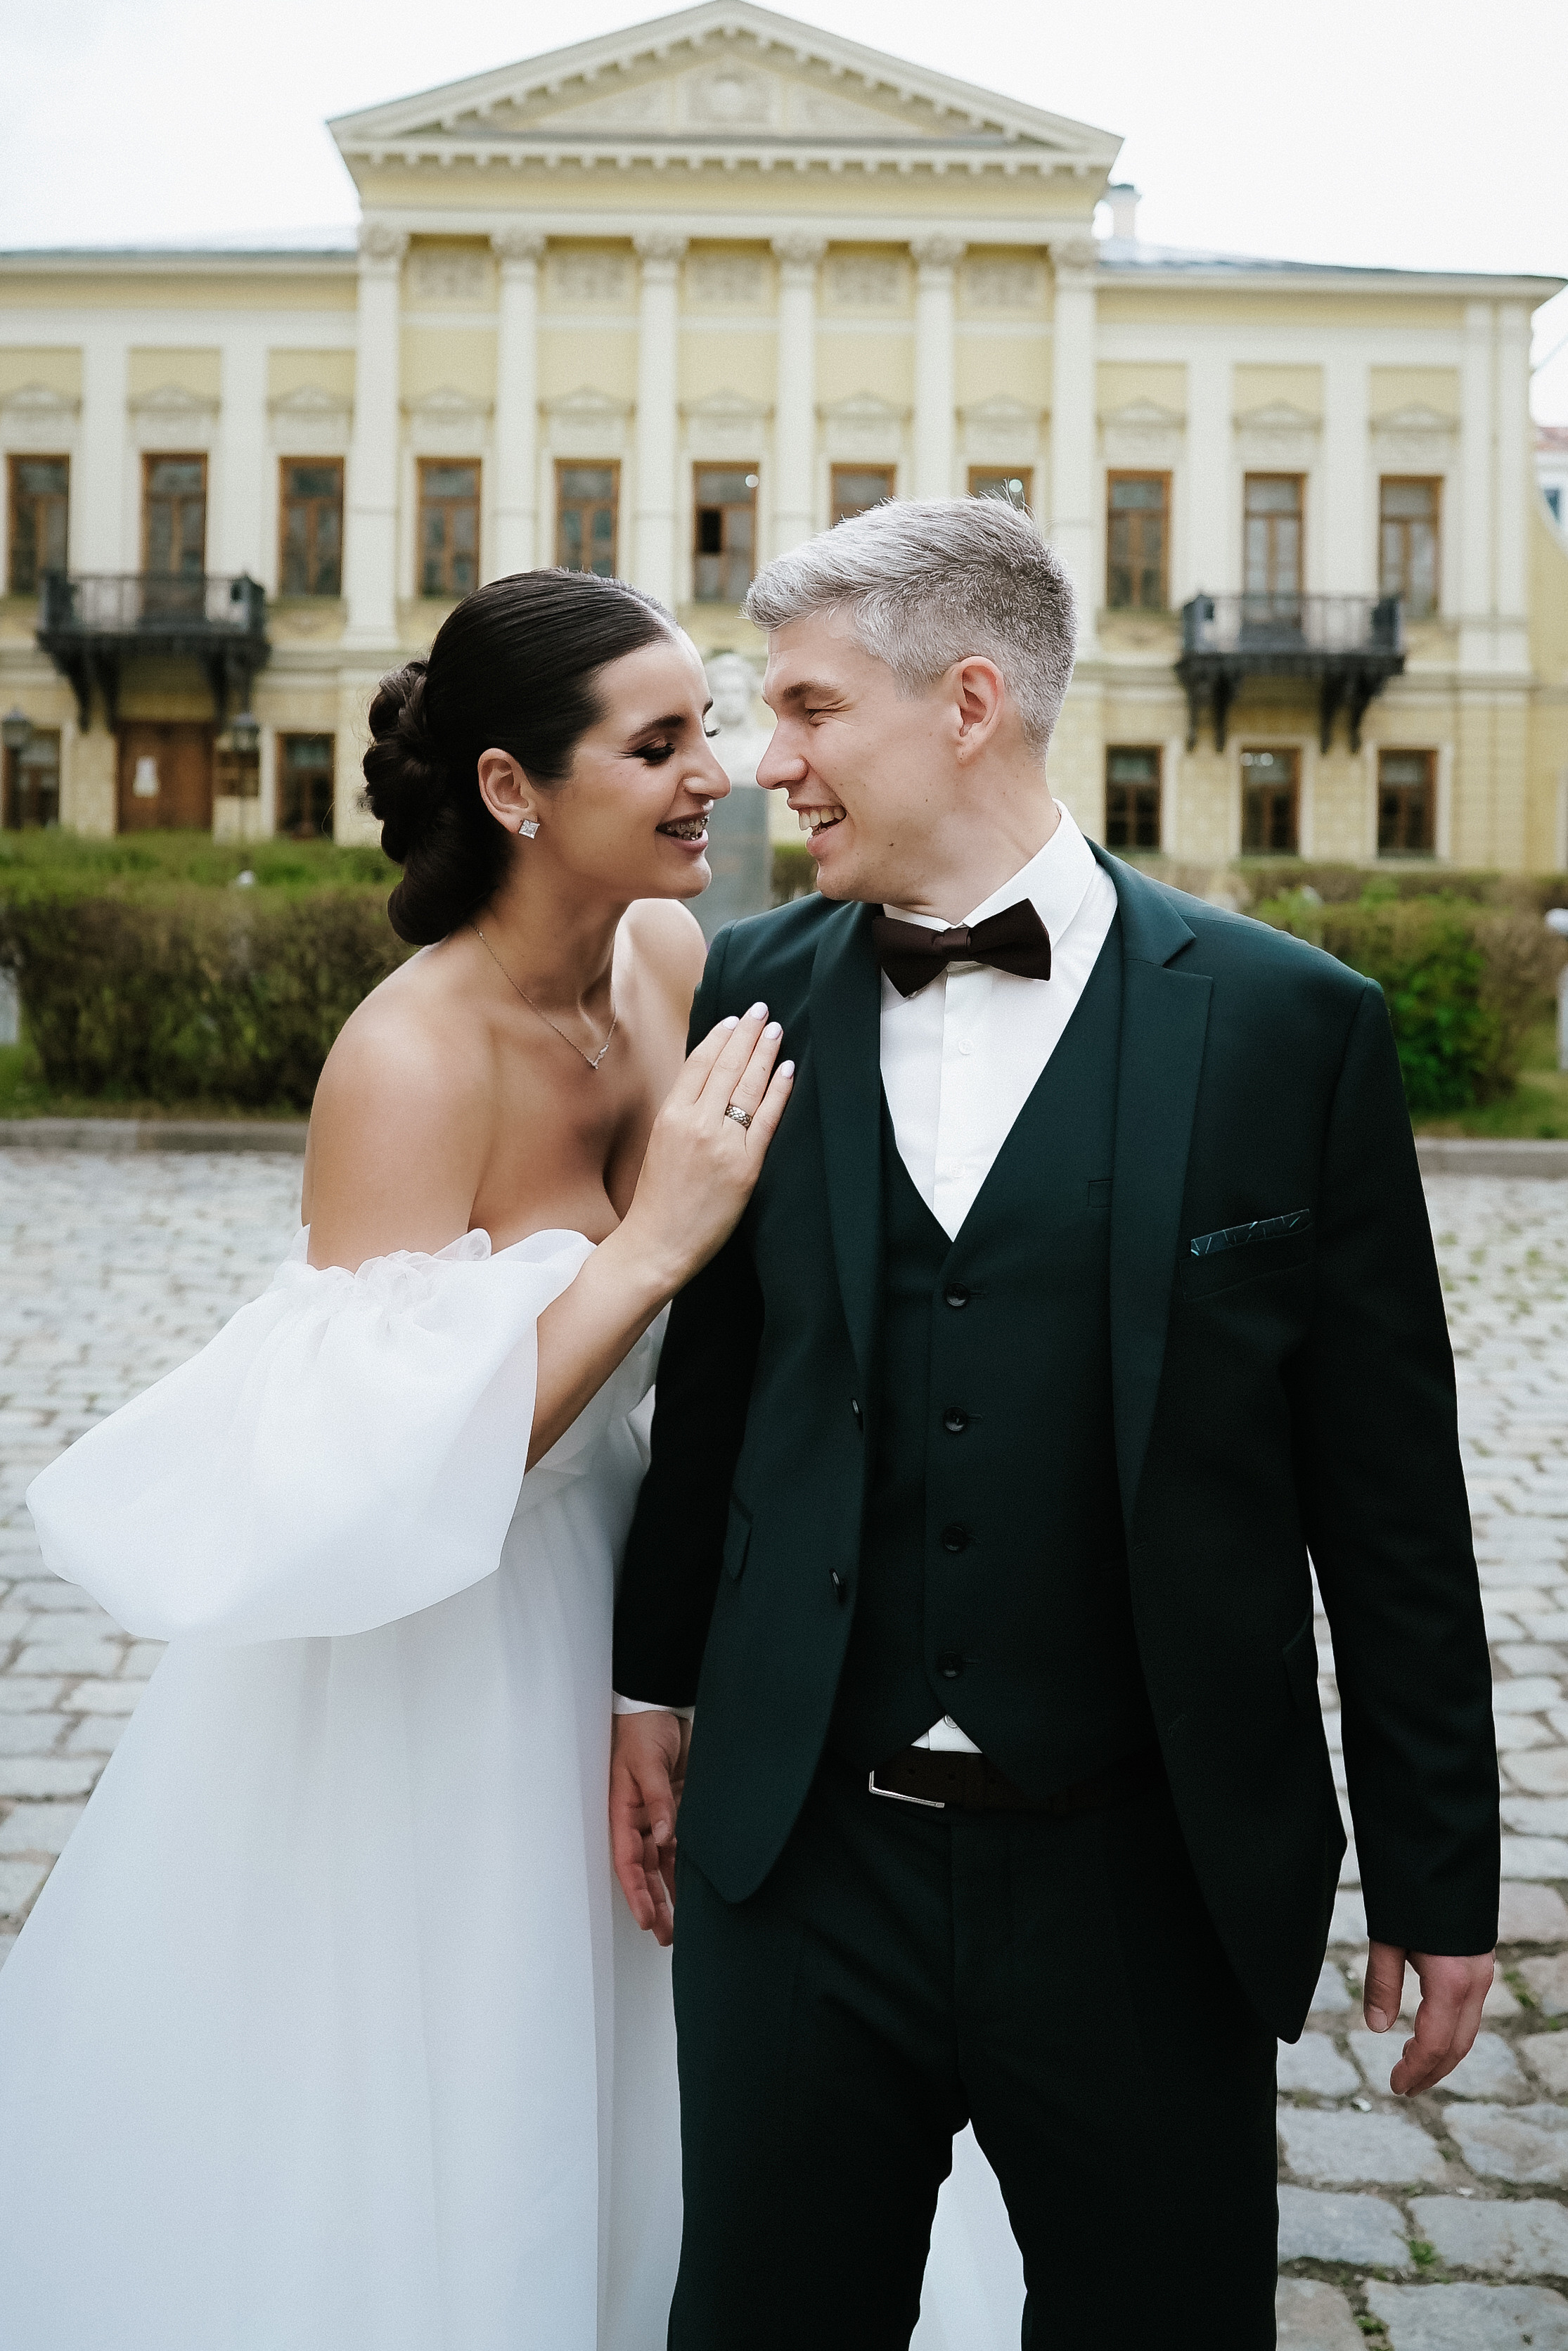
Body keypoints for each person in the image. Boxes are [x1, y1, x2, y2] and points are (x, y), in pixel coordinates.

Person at [608, 498, 1500, 2351]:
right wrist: (646, 1686)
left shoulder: (1283, 1030)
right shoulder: (755, 988)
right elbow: (714, 1387)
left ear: (964, 702)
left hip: (1144, 1880)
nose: (763, 765)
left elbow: (1387, 1495)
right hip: (800, 1868)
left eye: (803, 708)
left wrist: (1438, 1875)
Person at [0, 568, 792, 2351]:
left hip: (631, 1603)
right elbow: (382, 1466)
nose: (715, 777)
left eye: (713, 730)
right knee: (474, 2054)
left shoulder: (669, 958)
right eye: (659, 744)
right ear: (515, 789)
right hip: (450, 1634)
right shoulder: (408, 1058)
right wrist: (648, 1245)